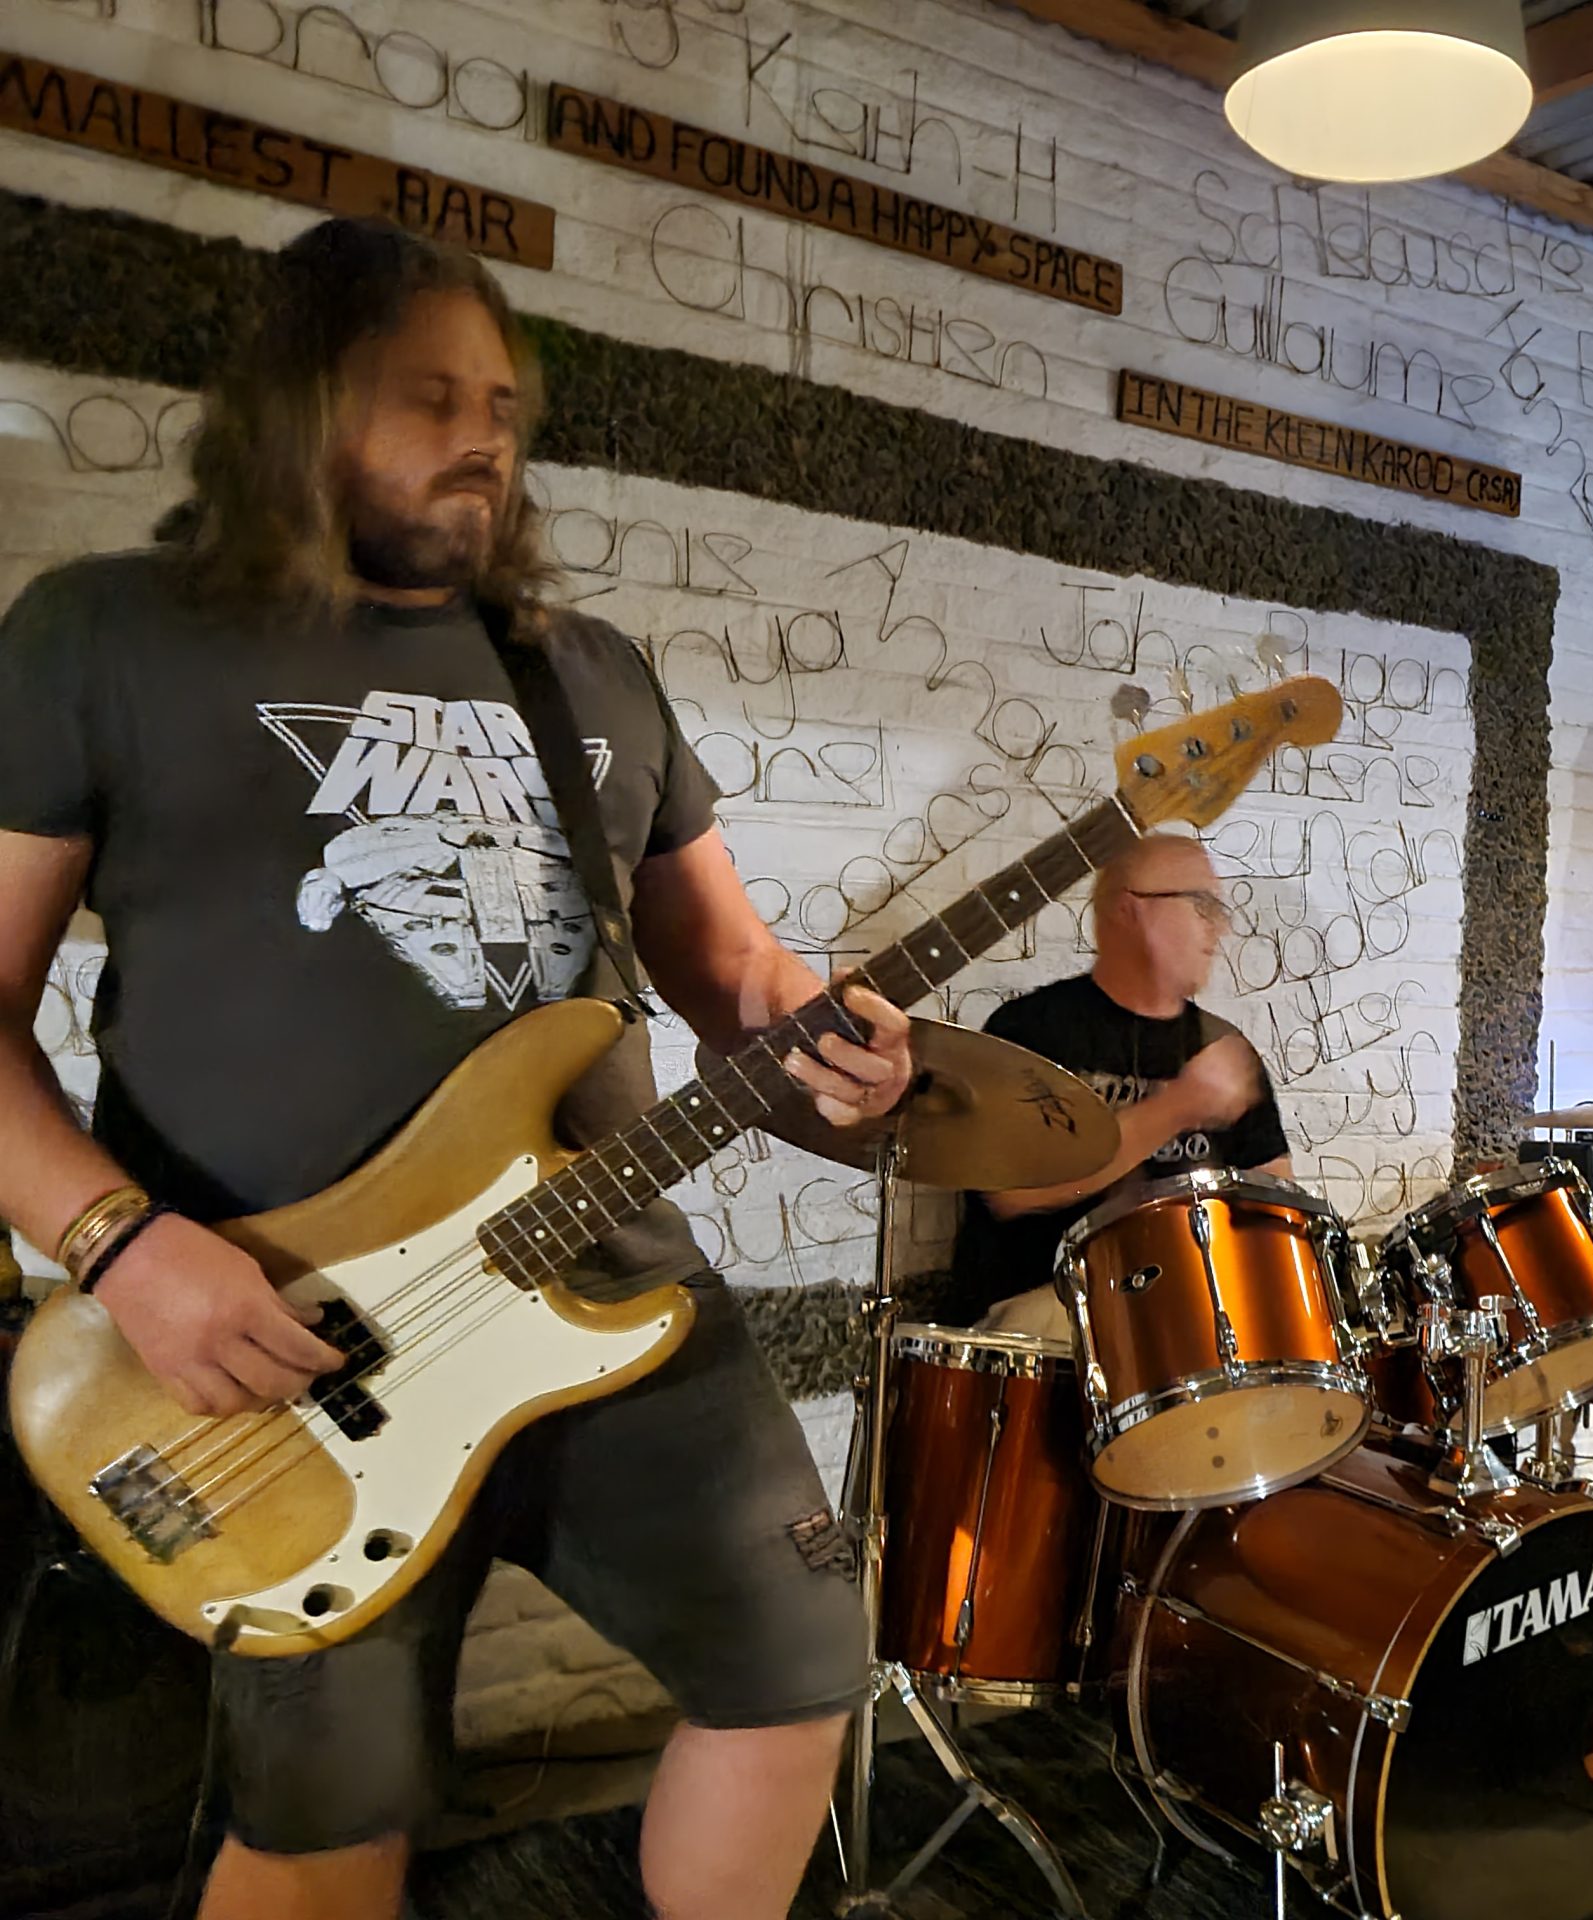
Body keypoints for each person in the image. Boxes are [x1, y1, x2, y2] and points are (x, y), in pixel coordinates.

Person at [0, 219, 915, 1920]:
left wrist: (826, 1037)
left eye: (500, 404)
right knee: (328, 1822)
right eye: (428, 396)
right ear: (297, 401)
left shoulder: (591, 673)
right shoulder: (104, 636)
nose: (483, 436)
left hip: (619, 1287)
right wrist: (119, 1247)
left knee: (799, 1676)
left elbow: (733, 974)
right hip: (297, 1332)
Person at [948, 832, 1291, 1330]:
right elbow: (1012, 1191)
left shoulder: (1225, 1050)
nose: (1219, 928)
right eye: (1201, 904)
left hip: (1189, 1308)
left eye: (1220, 910)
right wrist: (1174, 1108)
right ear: (1130, 910)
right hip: (1050, 1308)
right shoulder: (1028, 1031)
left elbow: (1275, 1203)